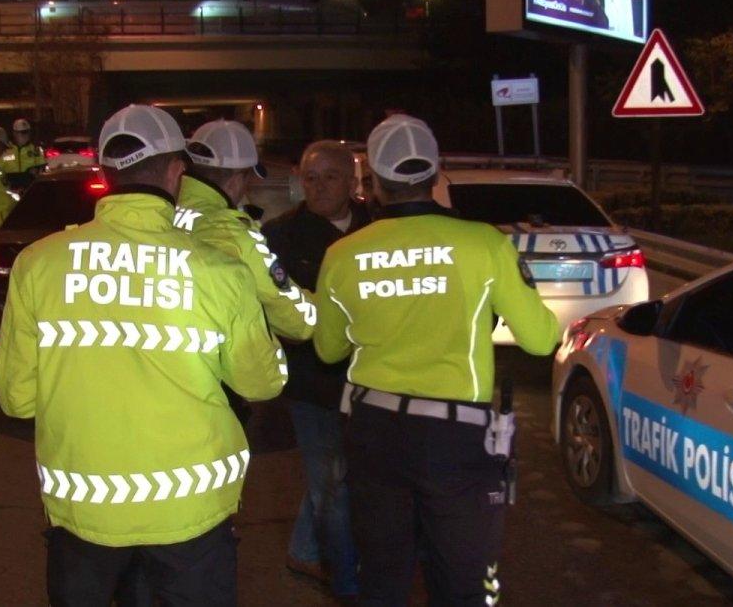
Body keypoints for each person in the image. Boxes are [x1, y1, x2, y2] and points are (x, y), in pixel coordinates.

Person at [0, 104, 288, 606]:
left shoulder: (38, 264)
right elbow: (262, 383)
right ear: (176, 172)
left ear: (106, 173)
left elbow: (17, 400)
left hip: (85, 513)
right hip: (191, 513)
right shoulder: (219, 270)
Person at [313, 115, 559, 606]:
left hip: (373, 432)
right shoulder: (484, 243)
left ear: (372, 181)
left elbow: (328, 349)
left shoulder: (342, 254)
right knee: (465, 584)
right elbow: (541, 340)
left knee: (382, 580)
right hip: (456, 439)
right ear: (435, 174)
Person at [261, 140, 369, 598]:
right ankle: (341, 573)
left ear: (353, 181)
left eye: (330, 177)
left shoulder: (377, 227)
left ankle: (304, 548)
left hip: (372, 380)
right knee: (332, 480)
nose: (319, 187)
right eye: (310, 178)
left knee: (345, 474)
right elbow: (272, 311)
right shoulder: (281, 236)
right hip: (314, 383)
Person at [176, 119, 317, 341]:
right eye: (248, 179)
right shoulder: (232, 233)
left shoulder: (161, 212)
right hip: (213, 354)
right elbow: (300, 322)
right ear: (237, 179)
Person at [1, 118, 47, 190]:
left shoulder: (35, 149)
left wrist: (36, 171)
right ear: (14, 133)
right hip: (11, 189)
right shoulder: (5, 150)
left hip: (30, 188)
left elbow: (43, 168)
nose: (25, 135)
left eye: (27, 132)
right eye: (22, 132)